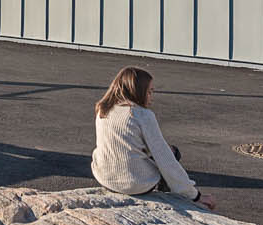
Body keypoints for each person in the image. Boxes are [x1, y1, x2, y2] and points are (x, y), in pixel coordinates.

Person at [91, 66, 215, 209]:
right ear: (138, 91)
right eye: (149, 92)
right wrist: (195, 195)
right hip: (134, 185)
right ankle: (169, 196)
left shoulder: (103, 110)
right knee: (172, 152)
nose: (151, 96)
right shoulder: (141, 114)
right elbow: (165, 159)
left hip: (105, 178)